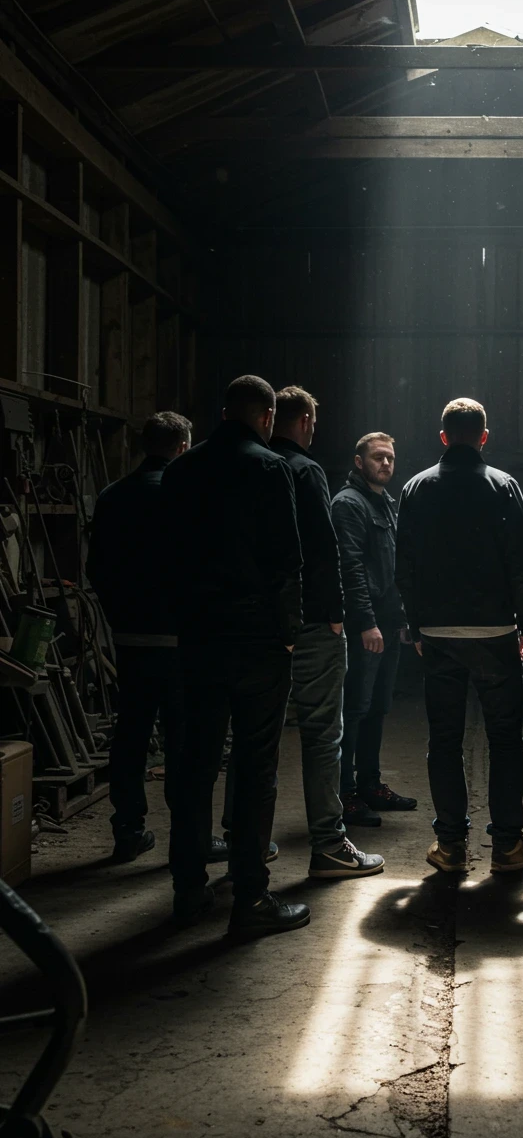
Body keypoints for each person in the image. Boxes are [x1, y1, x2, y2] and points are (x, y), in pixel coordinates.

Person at [161, 375, 314, 936]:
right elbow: (286, 560)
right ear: (267, 417)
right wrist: (289, 632)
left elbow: (167, 558)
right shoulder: (270, 468)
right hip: (255, 641)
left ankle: (186, 890)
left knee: (195, 762)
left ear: (223, 411)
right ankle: (250, 899)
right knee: (255, 768)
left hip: (199, 638)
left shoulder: (181, 471)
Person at [396, 397, 523, 874]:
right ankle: (507, 846)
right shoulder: (504, 486)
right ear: (484, 436)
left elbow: (405, 567)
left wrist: (416, 623)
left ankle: (451, 847)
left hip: (438, 632)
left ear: (443, 437)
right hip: (496, 631)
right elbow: (522, 564)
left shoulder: (417, 487)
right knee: (504, 740)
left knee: (444, 741)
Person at [268, 386, 384, 877]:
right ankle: (330, 846)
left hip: (247, 626)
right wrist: (337, 615)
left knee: (258, 735)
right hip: (310, 622)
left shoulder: (220, 467)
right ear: (305, 422)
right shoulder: (303, 471)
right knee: (321, 735)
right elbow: (322, 549)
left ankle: (242, 839)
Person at [86, 411, 191, 862]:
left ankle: (127, 830)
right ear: (183, 447)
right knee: (183, 740)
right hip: (180, 639)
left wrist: (118, 617)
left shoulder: (112, 497)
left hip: (130, 637)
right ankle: (187, 838)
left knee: (130, 735)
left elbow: (97, 568)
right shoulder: (188, 495)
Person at [331, 432, 416, 827]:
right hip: (365, 626)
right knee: (356, 709)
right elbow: (350, 569)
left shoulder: (386, 503)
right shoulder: (349, 505)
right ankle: (345, 794)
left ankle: (370, 785)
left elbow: (394, 568)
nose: (386, 464)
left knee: (378, 708)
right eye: (378, 457)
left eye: (390, 458)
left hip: (386, 623)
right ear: (359, 461)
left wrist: (399, 621)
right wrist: (366, 622)